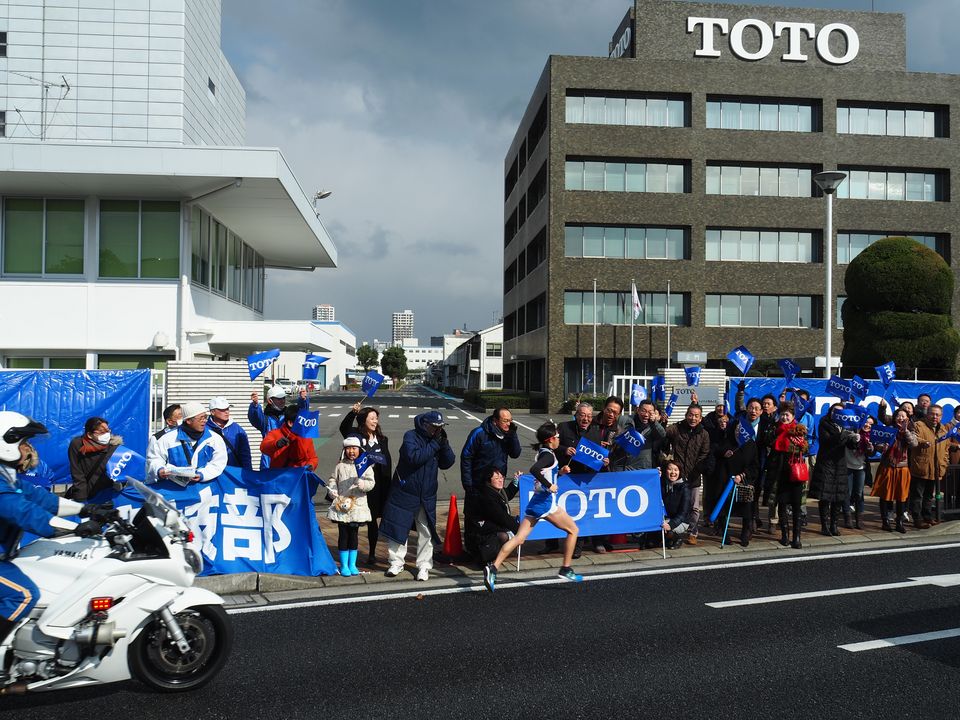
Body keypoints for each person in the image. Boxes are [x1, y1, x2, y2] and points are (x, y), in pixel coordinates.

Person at [0, 412, 110, 647]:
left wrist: (87, 510)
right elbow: (28, 514)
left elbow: (43, 500)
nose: (28, 448)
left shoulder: (7, 478)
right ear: (6, 443)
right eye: (24, 442)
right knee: (23, 595)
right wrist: (78, 529)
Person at [484, 423, 582, 591]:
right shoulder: (549, 456)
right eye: (557, 437)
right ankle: (566, 568)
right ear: (551, 440)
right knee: (573, 530)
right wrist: (550, 485)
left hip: (536, 502)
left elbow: (544, 472)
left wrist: (560, 473)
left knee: (519, 538)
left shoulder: (544, 453)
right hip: (546, 504)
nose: (559, 440)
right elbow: (535, 470)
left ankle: (492, 568)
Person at [379, 411, 455, 581]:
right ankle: (396, 562)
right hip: (405, 490)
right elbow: (414, 457)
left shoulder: (437, 439)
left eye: (440, 427)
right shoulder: (410, 436)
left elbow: (448, 462)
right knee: (399, 526)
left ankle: (424, 566)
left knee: (426, 531)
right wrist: (435, 445)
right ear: (425, 424)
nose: (437, 430)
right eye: (435, 427)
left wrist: (445, 444)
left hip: (427, 493)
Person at [459, 407, 521, 558]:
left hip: (495, 485)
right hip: (477, 483)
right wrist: (468, 484)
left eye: (510, 420)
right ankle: (471, 548)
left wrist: (512, 434)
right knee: (473, 517)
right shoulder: (479, 433)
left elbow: (516, 453)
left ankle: (490, 548)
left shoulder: (508, 435)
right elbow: (466, 457)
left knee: (494, 516)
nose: (508, 424)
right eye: (505, 421)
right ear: (495, 421)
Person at [339, 401, 393, 565]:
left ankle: (372, 553)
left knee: (373, 521)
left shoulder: (382, 439)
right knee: (353, 521)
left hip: (377, 485)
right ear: (364, 421)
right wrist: (352, 413)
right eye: (372, 418)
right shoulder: (356, 436)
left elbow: (387, 461)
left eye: (376, 418)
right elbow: (344, 428)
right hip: (358, 486)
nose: (375, 421)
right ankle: (349, 556)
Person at [326, 437, 375, 577]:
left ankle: (352, 564)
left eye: (354, 448)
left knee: (354, 535)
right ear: (344, 450)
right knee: (343, 535)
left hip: (357, 506)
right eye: (348, 448)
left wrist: (363, 484)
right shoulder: (339, 466)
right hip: (341, 505)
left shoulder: (365, 466)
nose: (351, 451)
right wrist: (332, 490)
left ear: (360, 450)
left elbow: (371, 483)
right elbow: (332, 479)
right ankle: (344, 565)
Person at [146, 401, 228, 484]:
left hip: (204, 490)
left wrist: (202, 474)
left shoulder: (214, 439)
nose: (204, 421)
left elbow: (218, 463)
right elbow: (154, 459)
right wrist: (159, 470)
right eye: (201, 418)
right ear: (188, 420)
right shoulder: (167, 439)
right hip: (174, 490)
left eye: (205, 417)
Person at [810, 404, 859, 537]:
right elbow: (827, 441)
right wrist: (843, 434)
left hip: (840, 463)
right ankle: (824, 525)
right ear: (830, 412)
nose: (836, 413)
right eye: (834, 411)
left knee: (838, 496)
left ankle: (834, 525)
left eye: (839, 411)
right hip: (826, 462)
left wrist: (855, 440)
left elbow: (850, 446)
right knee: (825, 496)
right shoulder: (824, 423)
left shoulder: (846, 425)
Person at [663, 404, 709, 545]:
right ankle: (673, 529)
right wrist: (663, 421)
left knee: (694, 507)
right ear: (686, 415)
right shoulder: (677, 428)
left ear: (700, 418)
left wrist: (695, 471)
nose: (693, 418)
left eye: (696, 416)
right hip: (677, 475)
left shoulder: (704, 433)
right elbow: (664, 433)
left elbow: (705, 453)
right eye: (690, 414)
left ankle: (693, 532)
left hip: (694, 476)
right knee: (675, 504)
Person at [766, 403, 808, 549]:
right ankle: (784, 536)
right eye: (782, 414)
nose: (784, 417)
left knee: (797, 507)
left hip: (795, 474)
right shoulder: (775, 429)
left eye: (787, 415)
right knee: (782, 505)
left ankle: (797, 538)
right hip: (780, 473)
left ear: (793, 417)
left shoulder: (798, 430)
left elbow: (804, 448)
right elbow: (770, 444)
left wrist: (797, 442)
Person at [871, 408, 918, 533]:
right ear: (894, 417)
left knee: (901, 496)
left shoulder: (911, 429)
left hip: (902, 467)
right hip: (887, 465)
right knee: (885, 495)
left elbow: (914, 444)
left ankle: (899, 522)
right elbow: (878, 445)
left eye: (903, 416)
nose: (901, 418)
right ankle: (885, 521)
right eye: (898, 415)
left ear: (907, 418)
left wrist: (905, 431)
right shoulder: (888, 429)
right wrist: (883, 447)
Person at [908, 404, 952, 528]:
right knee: (917, 496)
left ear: (941, 416)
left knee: (928, 496)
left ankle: (927, 517)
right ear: (927, 414)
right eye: (932, 414)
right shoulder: (918, 426)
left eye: (937, 415)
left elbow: (946, 449)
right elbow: (913, 440)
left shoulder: (943, 430)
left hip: (936, 469)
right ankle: (917, 519)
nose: (934, 417)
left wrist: (944, 463)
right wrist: (922, 443)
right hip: (920, 467)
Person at [248, 386, 309, 468]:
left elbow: (302, 415)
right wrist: (255, 406)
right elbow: (255, 418)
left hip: (289, 461)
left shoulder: (289, 415)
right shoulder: (265, 419)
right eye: (279, 399)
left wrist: (303, 400)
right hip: (269, 464)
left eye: (283, 398)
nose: (282, 401)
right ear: (270, 400)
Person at [66, 416, 123, 501]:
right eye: (101, 432)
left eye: (108, 431)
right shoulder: (77, 445)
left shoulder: (114, 447)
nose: (106, 434)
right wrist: (81, 499)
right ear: (89, 435)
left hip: (108, 494)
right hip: (87, 493)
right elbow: (77, 474)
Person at [472, 467, 520, 564]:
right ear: (489, 480)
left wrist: (516, 480)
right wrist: (519, 530)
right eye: (497, 478)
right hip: (482, 531)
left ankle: (496, 555)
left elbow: (508, 494)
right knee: (505, 535)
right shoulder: (487, 496)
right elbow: (502, 517)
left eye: (502, 477)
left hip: (492, 526)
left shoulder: (496, 491)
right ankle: (489, 558)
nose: (501, 480)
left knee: (511, 529)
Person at [260, 404, 319, 471]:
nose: (303, 424)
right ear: (290, 423)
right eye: (300, 421)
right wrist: (276, 444)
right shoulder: (275, 434)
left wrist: (311, 465)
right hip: (280, 477)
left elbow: (313, 458)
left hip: (299, 477)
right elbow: (263, 447)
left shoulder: (305, 437)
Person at [206, 397, 252, 470]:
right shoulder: (204, 429)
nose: (226, 412)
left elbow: (245, 454)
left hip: (234, 473)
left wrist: (247, 472)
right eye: (222, 410)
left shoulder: (237, 429)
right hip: (212, 474)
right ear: (212, 412)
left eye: (227, 409)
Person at [845, 416, 874, 529]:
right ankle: (847, 517)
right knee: (848, 492)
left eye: (870, 424)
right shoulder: (852, 431)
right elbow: (849, 443)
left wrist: (871, 448)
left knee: (859, 493)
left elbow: (872, 453)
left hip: (861, 467)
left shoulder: (871, 437)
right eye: (866, 422)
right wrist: (856, 438)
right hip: (847, 465)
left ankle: (859, 518)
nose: (867, 425)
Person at [659, 460, 691, 550]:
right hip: (665, 518)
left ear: (680, 472)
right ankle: (666, 538)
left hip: (681, 521)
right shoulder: (663, 484)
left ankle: (677, 538)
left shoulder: (685, 487)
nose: (673, 472)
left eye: (676, 470)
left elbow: (684, 512)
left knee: (668, 530)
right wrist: (656, 475)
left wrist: (671, 525)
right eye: (670, 469)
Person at [629, 398, 666, 470]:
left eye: (650, 412)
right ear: (638, 410)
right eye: (643, 411)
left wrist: (654, 423)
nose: (646, 415)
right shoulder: (628, 422)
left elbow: (663, 435)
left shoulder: (653, 426)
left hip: (644, 466)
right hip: (627, 466)